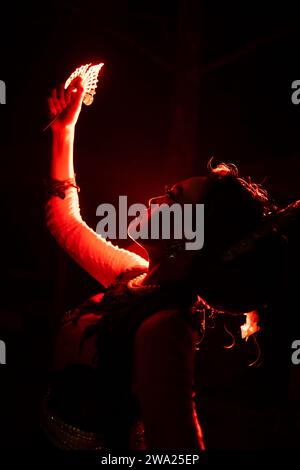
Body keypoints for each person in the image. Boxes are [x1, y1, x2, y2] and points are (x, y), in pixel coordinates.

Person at [42, 77, 287, 451]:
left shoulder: (167, 328)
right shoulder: (137, 275)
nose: (157, 199)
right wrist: (66, 131)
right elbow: (66, 223)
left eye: (173, 196)